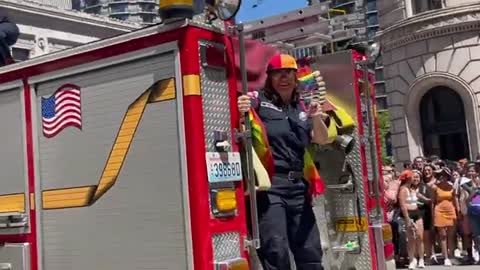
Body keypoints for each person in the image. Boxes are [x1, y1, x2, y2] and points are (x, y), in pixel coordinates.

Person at [237, 53, 330, 270]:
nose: (283, 78)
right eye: (277, 74)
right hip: (271, 188)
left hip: (298, 188)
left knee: (310, 249)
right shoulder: (260, 100)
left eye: (288, 73)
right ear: (269, 78)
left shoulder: (302, 108)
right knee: (275, 249)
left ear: (296, 77)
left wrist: (316, 117)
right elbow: (244, 103)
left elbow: (322, 139)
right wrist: (242, 104)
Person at [398, 170, 425, 269]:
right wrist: (407, 218)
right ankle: (412, 259)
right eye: (412, 177)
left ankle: (421, 259)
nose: (414, 178)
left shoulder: (412, 188)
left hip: (416, 213)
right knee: (411, 238)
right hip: (408, 214)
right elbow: (403, 205)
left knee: (419, 237)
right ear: (408, 178)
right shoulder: (403, 189)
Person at [432, 167, 458, 266]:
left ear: (447, 176)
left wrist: (458, 212)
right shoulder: (435, 187)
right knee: (443, 236)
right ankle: (445, 257)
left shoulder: (452, 187)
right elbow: (433, 202)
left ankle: (451, 256)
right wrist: (433, 213)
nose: (442, 177)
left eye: (444, 175)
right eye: (440, 175)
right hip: (439, 210)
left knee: (451, 235)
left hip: (451, 210)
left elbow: (455, 200)